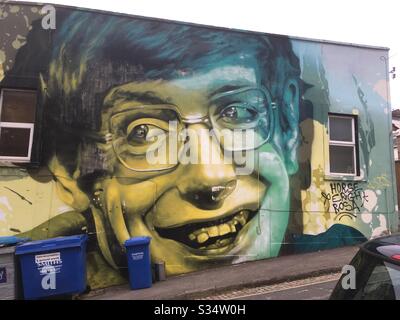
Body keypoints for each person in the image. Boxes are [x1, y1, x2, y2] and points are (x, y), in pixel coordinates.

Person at [4, 10, 322, 288]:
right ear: (68, 171)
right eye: (144, 132)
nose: (210, 179)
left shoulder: (350, 252)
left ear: (287, 125)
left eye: (236, 113)